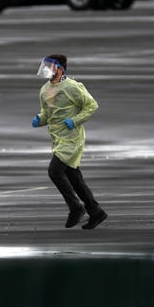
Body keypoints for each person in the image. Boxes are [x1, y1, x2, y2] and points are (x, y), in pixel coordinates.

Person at [31, 54, 107, 229]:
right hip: (57, 138)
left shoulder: (72, 87)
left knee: (55, 172)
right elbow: (47, 113)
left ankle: (75, 207)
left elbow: (91, 105)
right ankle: (95, 211)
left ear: (60, 68)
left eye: (50, 65)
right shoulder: (44, 90)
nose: (46, 69)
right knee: (74, 178)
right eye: (45, 65)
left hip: (72, 138)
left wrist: (75, 120)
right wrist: (40, 119)